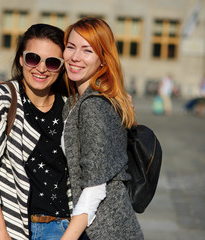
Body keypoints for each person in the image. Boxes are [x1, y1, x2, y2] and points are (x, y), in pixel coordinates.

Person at [0, 23, 83, 240]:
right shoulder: (1, 99)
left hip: (62, 229)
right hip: (11, 227)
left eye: (51, 62)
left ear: (61, 67)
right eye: (33, 58)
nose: (41, 68)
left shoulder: (71, 106)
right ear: (21, 59)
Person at [59, 17, 143, 240]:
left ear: (103, 61)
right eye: (71, 47)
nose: (75, 57)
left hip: (105, 230)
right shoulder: (78, 100)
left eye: (87, 50)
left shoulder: (94, 106)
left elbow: (94, 188)